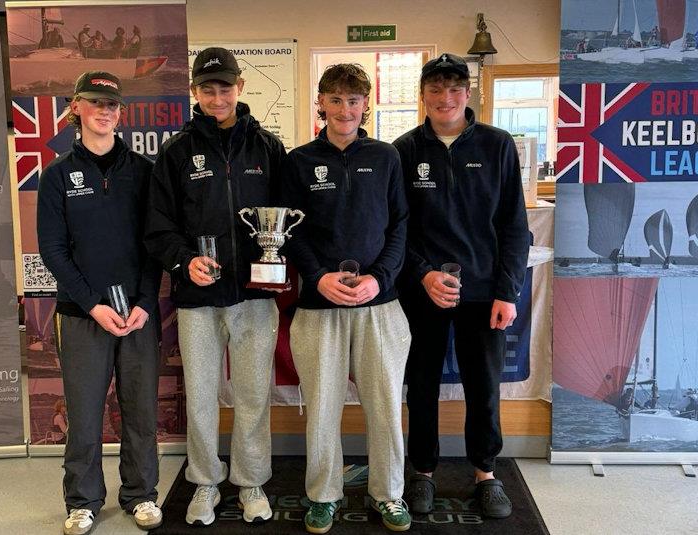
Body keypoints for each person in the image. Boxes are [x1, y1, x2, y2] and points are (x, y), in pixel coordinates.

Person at [145, 47, 285, 526]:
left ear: (240, 87)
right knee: (201, 394)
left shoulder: (268, 147)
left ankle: (250, 482)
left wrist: (278, 261)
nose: (217, 96)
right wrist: (185, 260)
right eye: (208, 88)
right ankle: (204, 481)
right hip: (198, 298)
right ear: (195, 93)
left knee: (251, 394)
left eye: (225, 87)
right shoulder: (176, 152)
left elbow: (284, 222)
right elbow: (158, 227)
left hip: (254, 296)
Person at [393, 53, 529, 520]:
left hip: (483, 292)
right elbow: (398, 232)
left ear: (466, 94)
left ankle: (485, 473)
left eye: (454, 89)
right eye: (435, 89)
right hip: (424, 291)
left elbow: (514, 225)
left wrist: (507, 291)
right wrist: (423, 274)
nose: (445, 98)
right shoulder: (404, 151)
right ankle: (423, 473)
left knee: (484, 386)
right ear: (424, 95)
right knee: (423, 385)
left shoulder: (497, 145)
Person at [280, 63, 411, 533]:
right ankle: (323, 493)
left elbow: (400, 225)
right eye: (335, 99)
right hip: (319, 306)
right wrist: (316, 277)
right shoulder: (297, 161)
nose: (344, 109)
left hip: (382, 304)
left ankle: (389, 492)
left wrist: (380, 277)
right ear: (320, 103)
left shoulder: (387, 157)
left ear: (365, 105)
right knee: (322, 406)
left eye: (353, 101)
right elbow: (289, 231)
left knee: (385, 405)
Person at [37, 70, 163, 535]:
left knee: (141, 413)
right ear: (76, 108)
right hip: (83, 314)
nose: (104, 112)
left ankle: (142, 495)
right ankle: (83, 501)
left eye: (112, 105)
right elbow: (53, 250)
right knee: (85, 415)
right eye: (95, 103)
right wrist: (92, 304)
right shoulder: (56, 176)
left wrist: (146, 302)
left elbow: (156, 244)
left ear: (120, 113)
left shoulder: (144, 173)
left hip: (138, 314)